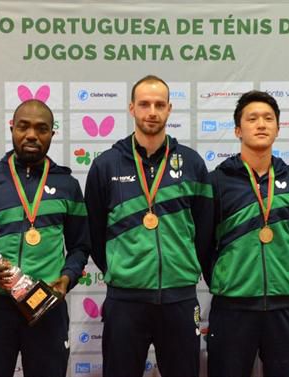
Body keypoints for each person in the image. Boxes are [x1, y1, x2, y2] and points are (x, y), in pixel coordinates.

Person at [85, 75, 213, 377]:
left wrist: (183, 268)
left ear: (169, 109)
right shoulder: (106, 165)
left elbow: (205, 232)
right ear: (131, 108)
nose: (151, 111)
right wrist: (124, 271)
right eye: (144, 104)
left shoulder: (193, 164)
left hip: (179, 298)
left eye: (159, 104)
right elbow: (94, 233)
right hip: (125, 300)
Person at [0, 99, 90, 377]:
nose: (32, 134)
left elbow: (80, 245)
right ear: (12, 129)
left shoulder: (67, 185)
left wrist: (67, 278)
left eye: (41, 128)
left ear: (52, 135)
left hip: (46, 306)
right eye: (24, 126)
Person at [205, 90, 289, 376]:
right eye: (252, 119)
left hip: (282, 306)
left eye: (268, 118)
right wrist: (224, 279)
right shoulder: (217, 181)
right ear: (238, 129)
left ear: (277, 127)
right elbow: (204, 244)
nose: (261, 124)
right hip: (232, 306)